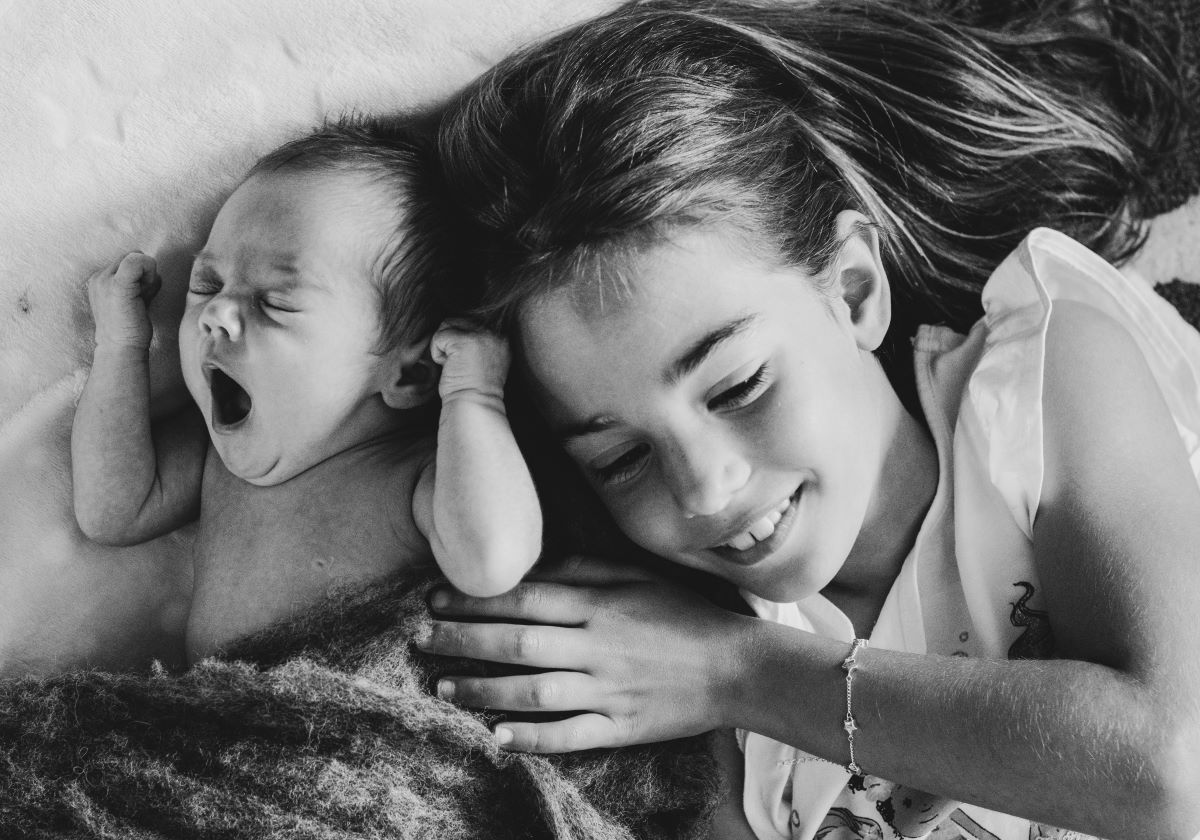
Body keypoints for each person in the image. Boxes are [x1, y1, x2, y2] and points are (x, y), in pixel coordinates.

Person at [415, 1, 1200, 838]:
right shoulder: (664, 666)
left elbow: (1172, 768)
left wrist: (737, 674)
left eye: (738, 387)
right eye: (621, 458)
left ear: (853, 291)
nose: (704, 488)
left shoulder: (1035, 380)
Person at [71, 117, 542, 664]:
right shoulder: (214, 459)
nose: (216, 313)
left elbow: (490, 563)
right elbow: (113, 511)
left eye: (276, 302)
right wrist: (120, 345)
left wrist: (475, 397)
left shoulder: (412, 474)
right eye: (207, 284)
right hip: (210, 710)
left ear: (409, 374)